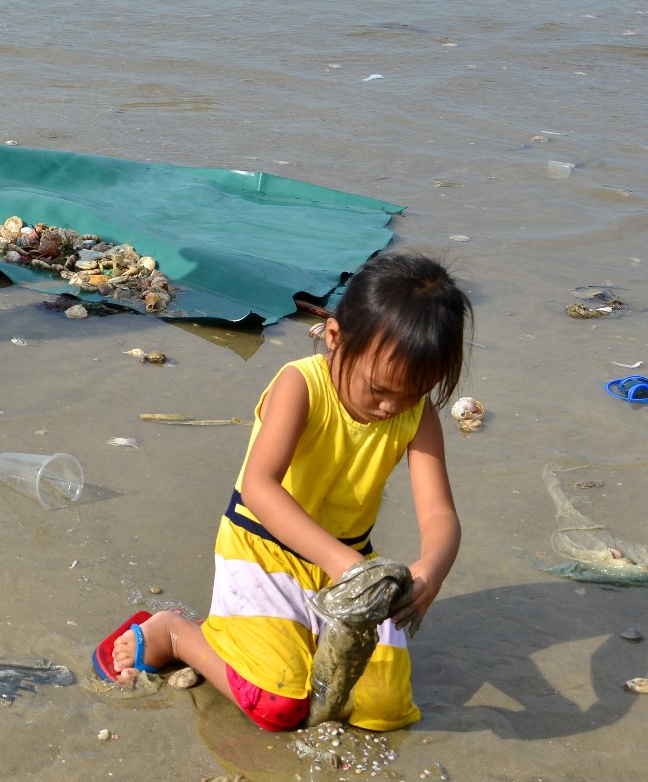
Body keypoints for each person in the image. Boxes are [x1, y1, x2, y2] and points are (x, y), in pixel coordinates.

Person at [96, 252, 471, 733]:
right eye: (380, 388)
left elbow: (440, 515)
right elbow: (258, 486)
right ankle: (176, 634)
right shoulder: (301, 385)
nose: (391, 406)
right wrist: (345, 567)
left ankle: (301, 637)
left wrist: (430, 572)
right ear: (334, 337)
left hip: (348, 565)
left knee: (384, 711)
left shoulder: (416, 414)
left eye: (413, 393)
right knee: (279, 707)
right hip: (264, 550)